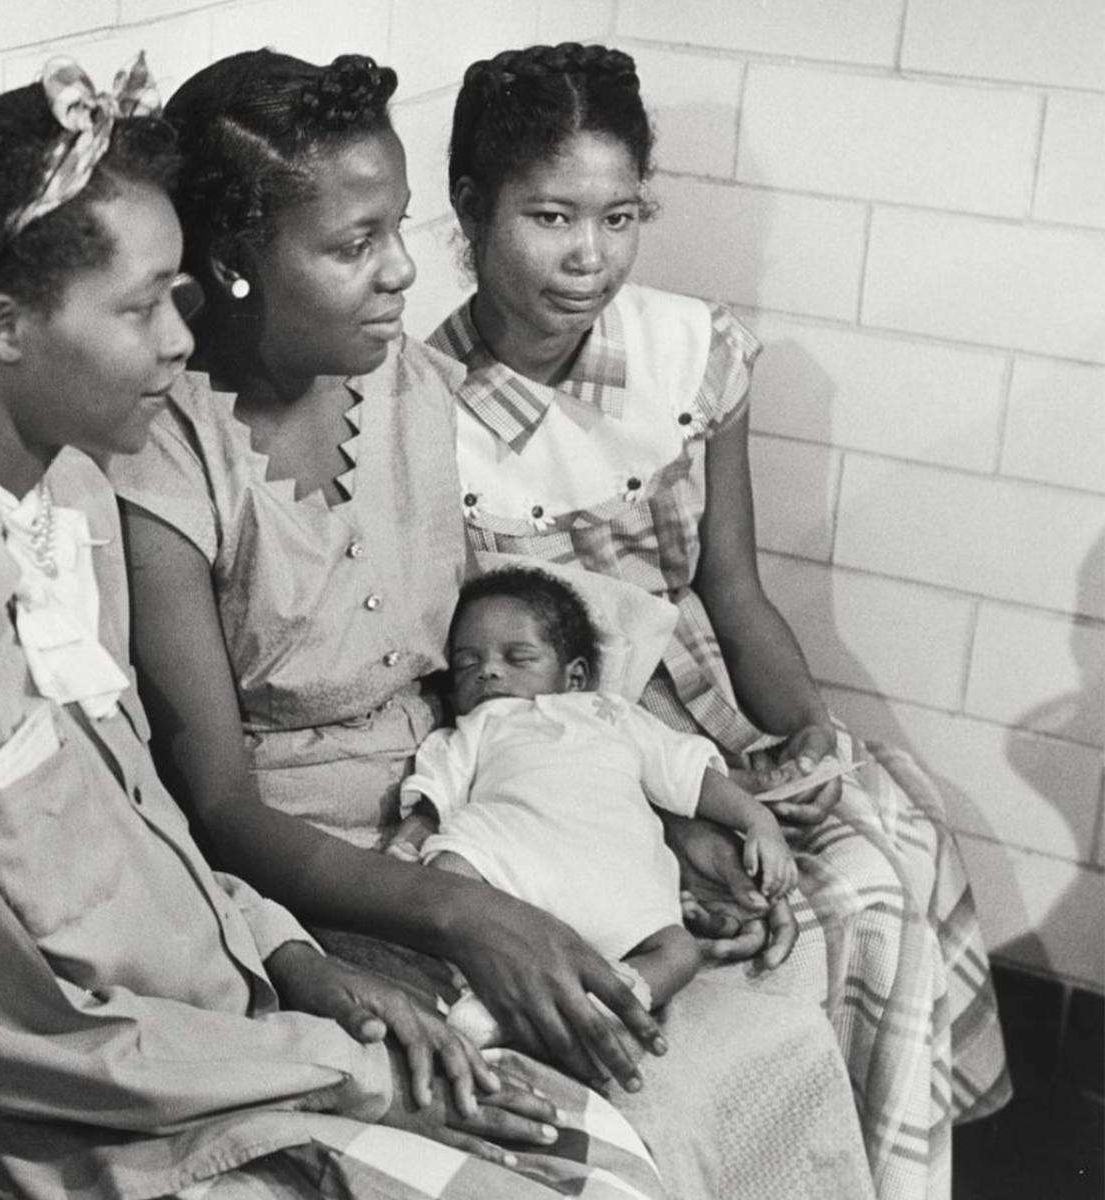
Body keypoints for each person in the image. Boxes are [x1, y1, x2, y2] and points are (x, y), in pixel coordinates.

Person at [0, 56, 668, 1200]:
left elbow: (147, 827)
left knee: (609, 1156)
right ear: (5, 326)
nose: (179, 339)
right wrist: (334, 1065)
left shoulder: (64, 488)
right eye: (142, 305)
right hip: (94, 1110)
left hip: (230, 1019)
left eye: (180, 296)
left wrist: (301, 964)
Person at [109, 48, 874, 1200]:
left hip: (480, 797)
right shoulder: (164, 473)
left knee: (775, 1020)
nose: (403, 273)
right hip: (313, 872)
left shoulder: (406, 387)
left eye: (398, 230)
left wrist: (646, 827)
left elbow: (509, 674)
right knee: (611, 1129)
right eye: (354, 244)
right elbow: (216, 807)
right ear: (233, 264)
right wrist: (469, 916)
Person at [427, 41, 1011, 1200]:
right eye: (549, 216)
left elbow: (735, 592)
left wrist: (817, 748)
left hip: (714, 715)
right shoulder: (418, 407)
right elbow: (497, 686)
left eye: (619, 214)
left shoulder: (693, 352)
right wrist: (682, 824)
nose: (588, 256)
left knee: (892, 843)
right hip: (582, 758)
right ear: (469, 209)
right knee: (786, 905)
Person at [396, 566, 794, 1040]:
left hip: (617, 875)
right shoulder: (475, 729)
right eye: (466, 663)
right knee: (447, 869)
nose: (489, 670)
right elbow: (435, 795)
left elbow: (690, 778)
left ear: (576, 676)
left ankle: (611, 1002)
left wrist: (757, 818)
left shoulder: (614, 714)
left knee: (679, 951)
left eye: (518, 657)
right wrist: (407, 841)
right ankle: (490, 992)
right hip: (513, 863)